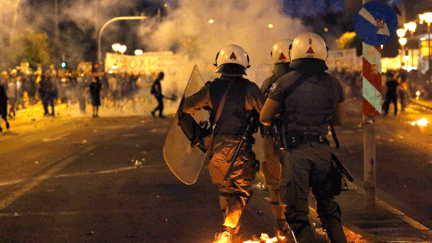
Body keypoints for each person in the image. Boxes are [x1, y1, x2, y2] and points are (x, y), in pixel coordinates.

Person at [260, 32, 347, 243]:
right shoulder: (334, 84)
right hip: (322, 152)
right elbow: (338, 121)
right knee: (328, 208)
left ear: (294, 54)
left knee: (297, 213)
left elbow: (264, 117)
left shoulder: (283, 82)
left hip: (296, 154)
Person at [182, 45, 264, 243]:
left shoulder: (211, 88)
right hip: (239, 148)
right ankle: (227, 231)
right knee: (241, 191)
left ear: (220, 64)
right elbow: (267, 114)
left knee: (225, 190)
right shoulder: (250, 89)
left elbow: (186, 107)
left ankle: (234, 231)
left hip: (216, 148)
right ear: (244, 64)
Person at [260, 39, 296, 238]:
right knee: (300, 182)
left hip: (272, 140)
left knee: (275, 183)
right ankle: (299, 225)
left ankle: (281, 225)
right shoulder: (305, 80)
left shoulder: (268, 82)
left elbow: (262, 115)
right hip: (300, 141)